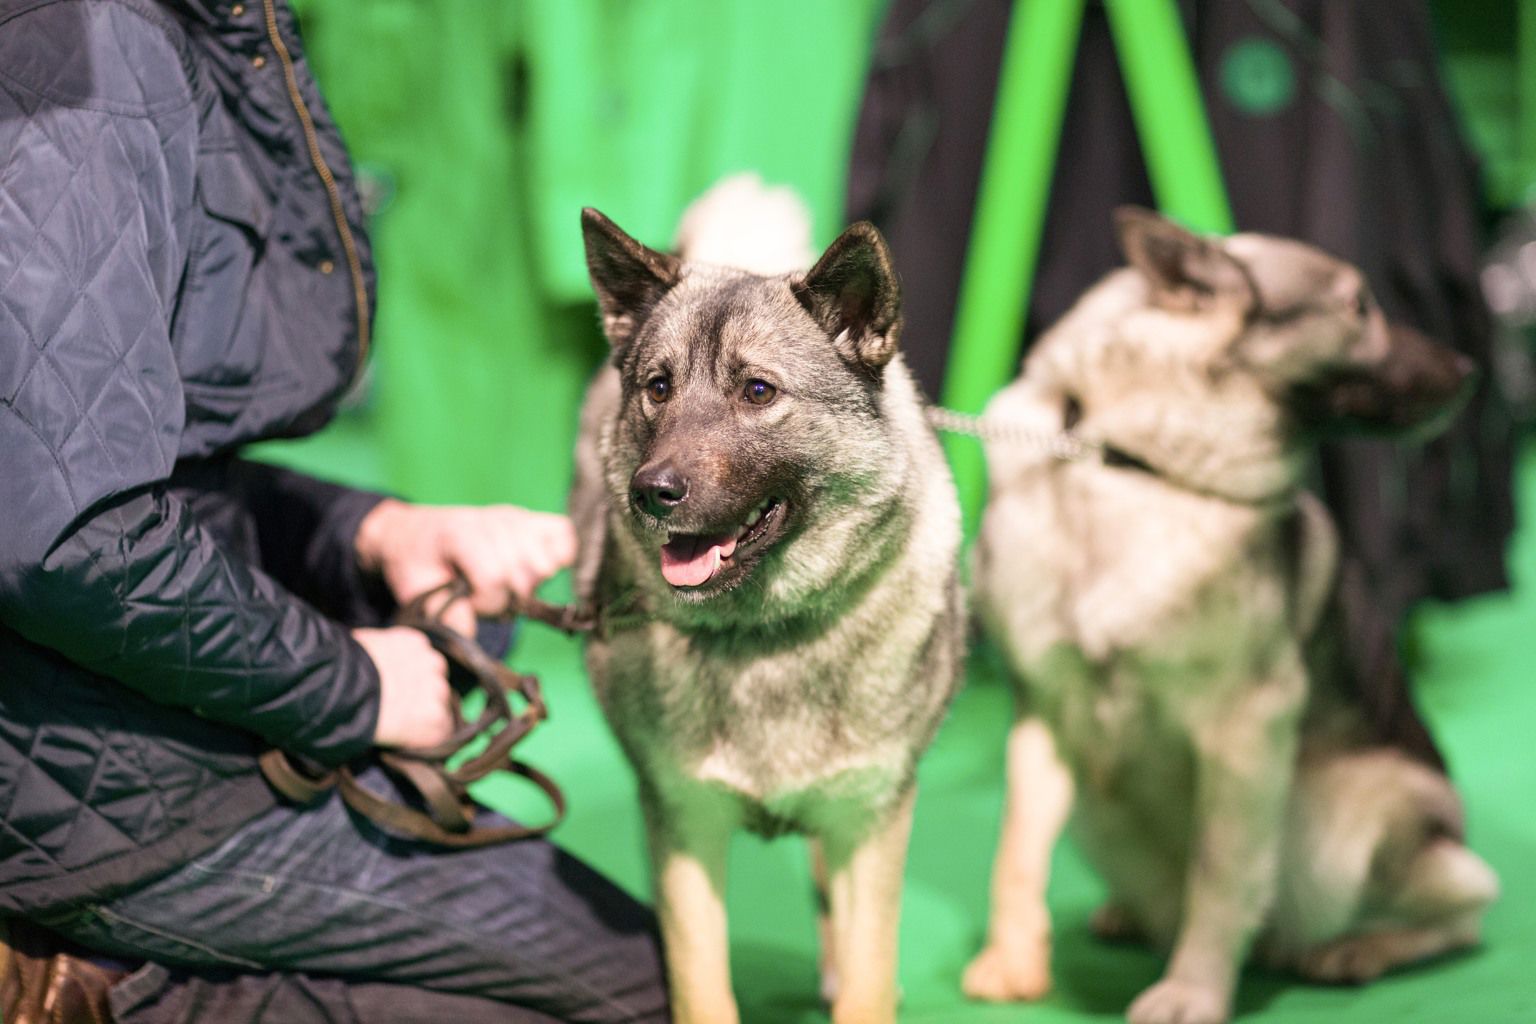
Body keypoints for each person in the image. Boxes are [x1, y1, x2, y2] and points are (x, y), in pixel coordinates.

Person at [0, 0, 668, 1021]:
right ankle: (68, 990)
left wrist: (370, 531)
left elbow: (103, 462)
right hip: (94, 792)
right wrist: (349, 684)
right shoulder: (76, 44)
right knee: (642, 994)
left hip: (98, 732)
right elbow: (65, 534)